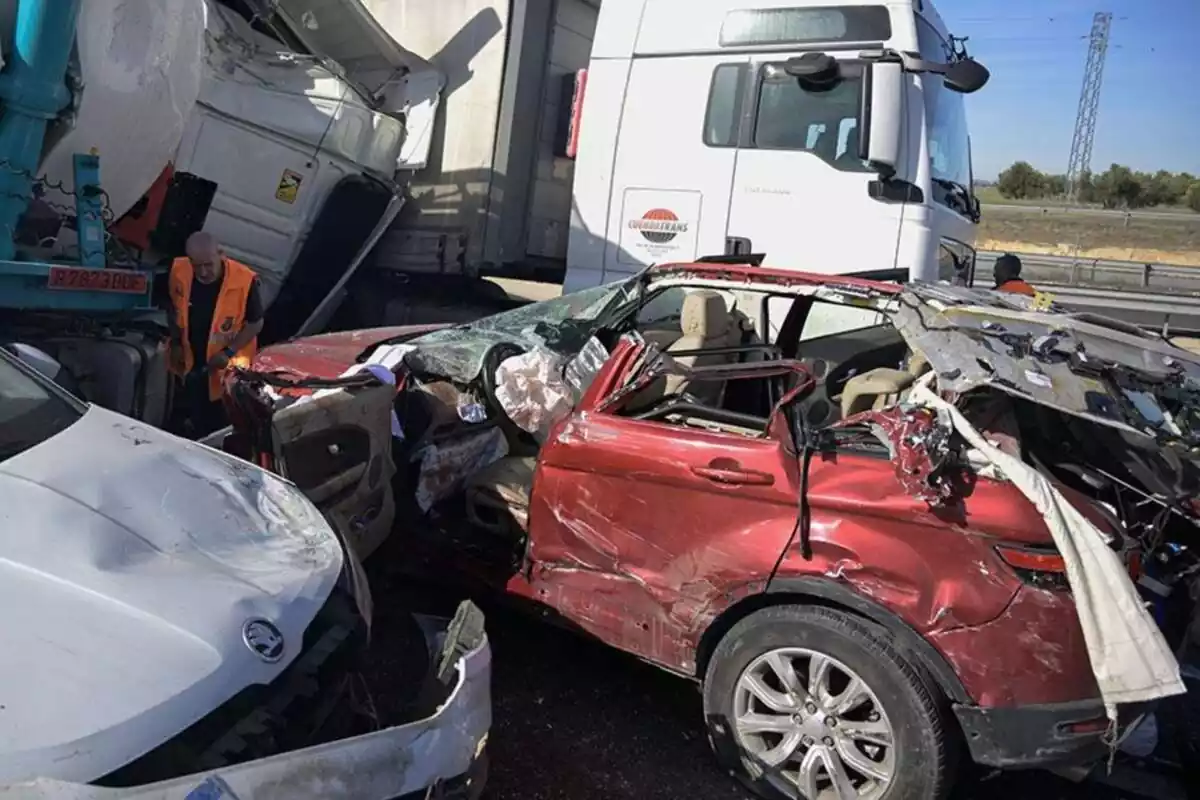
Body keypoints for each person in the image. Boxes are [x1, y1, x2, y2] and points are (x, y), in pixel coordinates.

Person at [166, 232, 264, 436]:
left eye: (208, 265)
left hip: (225, 370)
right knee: (185, 414)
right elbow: (173, 306)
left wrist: (228, 352)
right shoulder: (179, 271)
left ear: (221, 254)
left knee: (219, 425)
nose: (203, 272)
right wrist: (175, 342)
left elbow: (255, 323)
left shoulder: (244, 280)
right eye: (197, 265)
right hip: (191, 363)